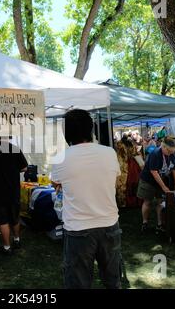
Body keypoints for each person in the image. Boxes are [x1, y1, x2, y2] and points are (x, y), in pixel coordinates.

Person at [51, 109, 122, 289]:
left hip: (78, 228)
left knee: (78, 283)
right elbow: (112, 181)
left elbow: (56, 184)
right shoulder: (109, 153)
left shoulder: (61, 158)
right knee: (113, 281)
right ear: (91, 129)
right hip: (109, 224)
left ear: (66, 133)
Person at [137, 137, 175, 234]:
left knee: (160, 202)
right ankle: (145, 223)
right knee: (147, 201)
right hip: (148, 180)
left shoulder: (172, 154)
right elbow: (154, 172)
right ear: (163, 147)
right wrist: (164, 187)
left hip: (161, 180)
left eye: (172, 151)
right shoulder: (155, 154)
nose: (171, 153)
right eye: (169, 151)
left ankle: (160, 224)